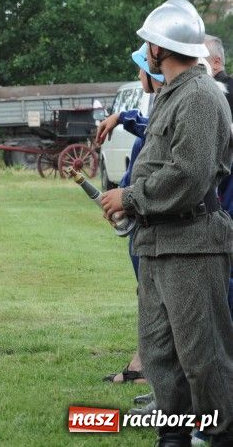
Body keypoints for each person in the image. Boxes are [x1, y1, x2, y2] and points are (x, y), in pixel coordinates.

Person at [99, 0, 233, 446]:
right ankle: (172, 439)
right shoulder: (173, 95)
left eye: (147, 44)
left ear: (160, 48)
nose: (144, 50)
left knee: (203, 359)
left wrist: (131, 197)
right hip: (160, 244)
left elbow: (189, 175)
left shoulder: (198, 95)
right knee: (159, 356)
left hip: (192, 244)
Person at [95, 43, 164, 387]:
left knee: (155, 296)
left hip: (153, 221)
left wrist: (128, 197)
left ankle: (149, 369)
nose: (139, 75)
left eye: (142, 69)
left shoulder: (178, 106)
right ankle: (144, 363)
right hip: (139, 220)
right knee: (146, 292)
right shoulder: (164, 106)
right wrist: (121, 117)